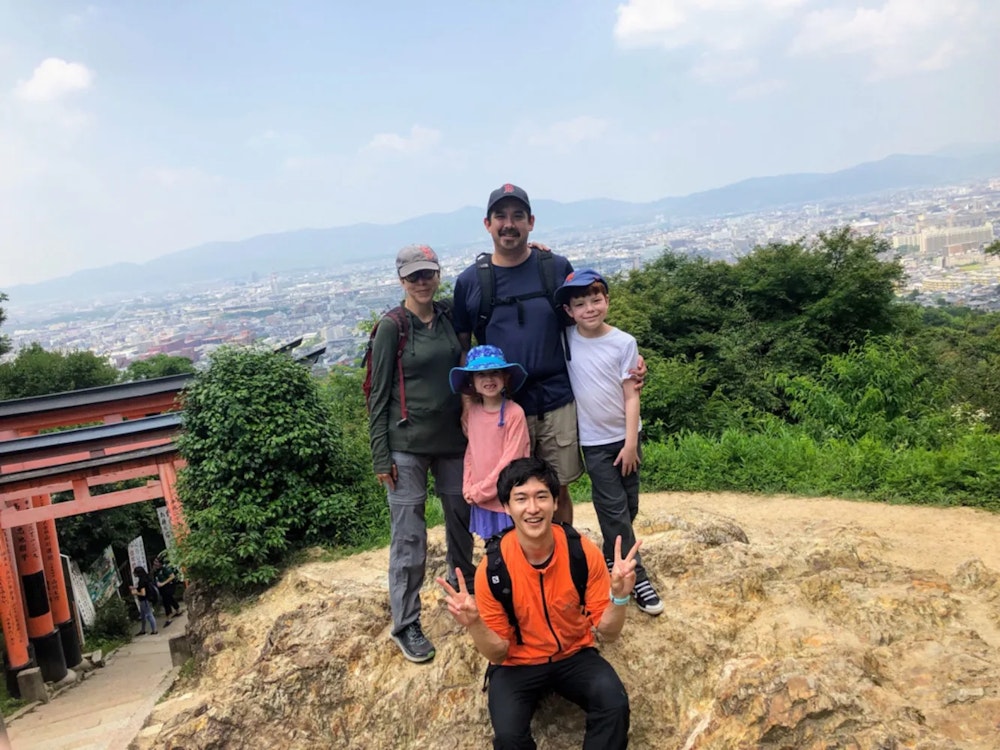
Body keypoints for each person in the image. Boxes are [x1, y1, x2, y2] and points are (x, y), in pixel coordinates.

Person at [437, 457, 638, 750]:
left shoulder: (580, 551)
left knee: (614, 705)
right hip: (517, 664)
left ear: (556, 502)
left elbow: (607, 633)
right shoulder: (493, 568)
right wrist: (475, 623)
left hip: (573, 654)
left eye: (541, 496)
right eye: (521, 499)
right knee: (508, 738)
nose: (532, 508)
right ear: (506, 507)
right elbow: (498, 652)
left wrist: (619, 596)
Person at [368, 243, 475, 663]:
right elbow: (377, 396)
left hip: (452, 439)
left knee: (460, 520)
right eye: (414, 276)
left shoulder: (449, 315)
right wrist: (381, 455)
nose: (423, 282)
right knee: (409, 534)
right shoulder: (392, 327)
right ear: (401, 280)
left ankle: (461, 587)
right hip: (406, 446)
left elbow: (484, 286)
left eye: (428, 273)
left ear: (438, 274)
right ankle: (406, 622)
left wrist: (536, 250)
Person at [452, 184, 582, 526]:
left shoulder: (553, 267)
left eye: (517, 216)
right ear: (487, 224)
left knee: (557, 490)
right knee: (511, 493)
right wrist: (468, 404)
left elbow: (583, 324)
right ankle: (518, 567)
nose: (509, 224)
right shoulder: (470, 282)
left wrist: (626, 362)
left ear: (531, 222)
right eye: (501, 217)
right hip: (503, 409)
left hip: (556, 398)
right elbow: (462, 347)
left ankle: (564, 560)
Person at [555, 269, 664, 616]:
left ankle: (609, 555)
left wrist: (631, 443)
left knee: (628, 507)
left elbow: (631, 396)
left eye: (596, 300)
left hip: (627, 437)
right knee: (614, 510)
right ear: (569, 311)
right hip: (593, 443)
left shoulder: (623, 342)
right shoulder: (564, 339)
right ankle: (637, 577)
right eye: (580, 303)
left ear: (608, 301)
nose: (589, 308)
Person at [449, 344, 531, 540]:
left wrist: (481, 491)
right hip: (482, 500)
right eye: (481, 374)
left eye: (495, 373)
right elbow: (472, 452)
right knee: (492, 549)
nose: (488, 379)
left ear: (505, 377)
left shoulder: (514, 413)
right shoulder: (474, 412)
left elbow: (512, 460)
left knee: (514, 546)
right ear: (472, 381)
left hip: (507, 498)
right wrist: (467, 486)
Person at [153, 552, 183, 625]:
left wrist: (163, 583)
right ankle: (178, 610)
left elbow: (172, 576)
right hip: (162, 588)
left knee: (166, 602)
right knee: (170, 599)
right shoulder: (157, 570)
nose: (155, 563)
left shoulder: (165, 568)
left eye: (156, 562)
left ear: (160, 563)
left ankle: (169, 617)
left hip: (168, 586)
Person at [130, 566, 158, 636]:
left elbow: (143, 593)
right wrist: (135, 588)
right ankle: (143, 630)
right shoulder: (146, 578)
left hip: (144, 600)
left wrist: (135, 593)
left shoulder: (141, 581)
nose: (134, 573)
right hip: (146, 599)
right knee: (143, 616)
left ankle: (154, 630)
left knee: (149, 615)